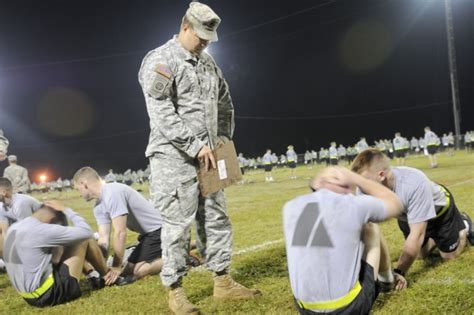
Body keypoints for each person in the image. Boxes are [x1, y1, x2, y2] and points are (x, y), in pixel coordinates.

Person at [138, 3, 261, 313]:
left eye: (210, 37)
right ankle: (175, 290)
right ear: (185, 27)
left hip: (209, 156)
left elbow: (224, 98)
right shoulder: (161, 60)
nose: (206, 42)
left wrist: (222, 138)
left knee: (216, 217)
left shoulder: (207, 64)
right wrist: (194, 146)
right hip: (173, 159)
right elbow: (160, 111)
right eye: (201, 36)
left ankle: (222, 282)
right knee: (177, 227)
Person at [284, 166, 407, 315]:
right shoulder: (353, 204)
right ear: (346, 185)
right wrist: (356, 178)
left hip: (305, 309)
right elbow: (395, 204)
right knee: (370, 227)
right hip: (349, 308)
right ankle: (387, 281)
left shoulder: (290, 206)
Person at [351, 149, 474, 279]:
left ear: (381, 175)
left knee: (449, 257)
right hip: (408, 215)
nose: (360, 186)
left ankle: (464, 226)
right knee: (420, 255)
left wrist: (399, 272)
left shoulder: (413, 183)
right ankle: (435, 239)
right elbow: (362, 228)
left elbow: (417, 234)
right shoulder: (363, 188)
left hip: (439, 213)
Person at [3, 200, 113, 307]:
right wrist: (67, 210)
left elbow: (55, 259)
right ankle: (108, 276)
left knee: (66, 244)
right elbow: (87, 233)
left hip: (28, 296)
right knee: (83, 240)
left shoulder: (15, 227)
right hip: (48, 294)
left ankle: (92, 275)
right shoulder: (42, 230)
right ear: (51, 220)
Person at [73, 167, 165, 283]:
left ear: (84, 184)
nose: (79, 193)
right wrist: (102, 269)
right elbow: (103, 239)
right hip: (147, 235)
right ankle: (173, 249)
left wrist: (116, 266)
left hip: (160, 230)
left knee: (138, 271)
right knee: (127, 271)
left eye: (78, 189)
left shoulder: (112, 193)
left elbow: (120, 233)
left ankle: (181, 258)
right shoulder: (98, 207)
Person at [0, 178, 42, 260]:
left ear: (4, 192)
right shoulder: (1, 207)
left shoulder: (20, 204)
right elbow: (5, 232)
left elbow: (28, 232)